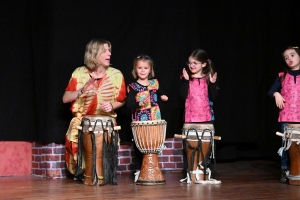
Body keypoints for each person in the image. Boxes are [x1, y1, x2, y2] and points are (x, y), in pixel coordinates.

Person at [62, 39, 127, 177]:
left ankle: (98, 174)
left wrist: (112, 105)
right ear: (93, 53)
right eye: (104, 51)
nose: (109, 53)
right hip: (81, 121)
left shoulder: (116, 74)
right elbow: (65, 98)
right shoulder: (79, 73)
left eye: (109, 50)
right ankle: (86, 174)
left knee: (102, 154)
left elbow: (122, 100)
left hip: (106, 121)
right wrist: (82, 90)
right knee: (75, 136)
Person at [126, 54, 168, 181]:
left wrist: (163, 97)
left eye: (145, 68)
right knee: (140, 146)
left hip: (154, 118)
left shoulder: (154, 83)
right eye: (139, 68)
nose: (142, 70)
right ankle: (139, 170)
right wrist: (139, 103)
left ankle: (152, 169)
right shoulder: (133, 87)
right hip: (141, 120)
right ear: (135, 69)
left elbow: (160, 92)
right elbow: (129, 105)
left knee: (152, 144)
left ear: (150, 69)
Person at [179, 49, 218, 182]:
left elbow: (213, 97)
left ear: (204, 64)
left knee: (204, 150)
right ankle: (191, 172)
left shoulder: (208, 78)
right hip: (190, 119)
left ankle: (204, 170)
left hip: (206, 119)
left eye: (195, 63)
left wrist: (212, 84)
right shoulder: (186, 78)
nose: (192, 66)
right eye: (190, 63)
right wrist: (185, 81)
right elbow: (182, 96)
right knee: (191, 149)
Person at [268, 46, 300, 183]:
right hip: (287, 116)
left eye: (292, 55)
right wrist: (276, 94)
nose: (289, 59)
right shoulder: (282, 75)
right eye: (286, 57)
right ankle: (285, 168)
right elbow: (271, 91)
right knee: (286, 145)